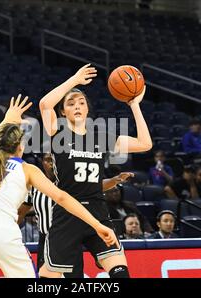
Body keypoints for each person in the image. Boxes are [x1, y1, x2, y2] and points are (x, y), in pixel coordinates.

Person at [0, 95, 118, 278]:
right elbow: (62, 198)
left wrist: (8, 118)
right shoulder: (27, 169)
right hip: (3, 232)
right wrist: (97, 224)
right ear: (21, 146)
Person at [38, 64, 152, 278]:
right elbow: (45, 104)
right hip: (67, 215)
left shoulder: (100, 137)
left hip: (98, 212)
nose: (77, 106)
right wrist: (74, 80)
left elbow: (145, 144)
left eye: (81, 102)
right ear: (63, 111)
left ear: (88, 109)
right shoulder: (57, 133)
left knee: (121, 275)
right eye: (71, 104)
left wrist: (134, 104)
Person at [17, 153, 134, 277]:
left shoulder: (72, 183)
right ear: (42, 162)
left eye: (53, 160)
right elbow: (20, 212)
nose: (51, 164)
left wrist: (115, 180)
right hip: (47, 239)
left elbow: (97, 186)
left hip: (69, 235)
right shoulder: (34, 185)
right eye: (48, 160)